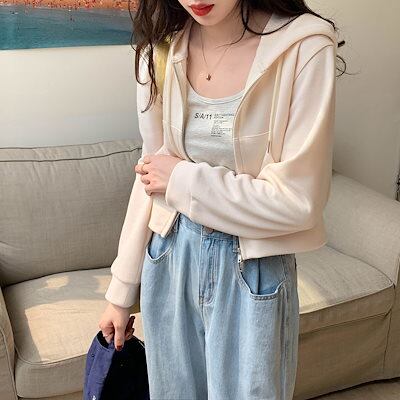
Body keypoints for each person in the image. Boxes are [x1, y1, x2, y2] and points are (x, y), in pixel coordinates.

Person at [98, 0, 345, 398]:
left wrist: (182, 179)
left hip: (254, 268)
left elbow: (298, 202)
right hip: (169, 254)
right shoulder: (160, 50)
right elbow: (151, 177)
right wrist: (121, 291)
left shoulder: (305, 46)